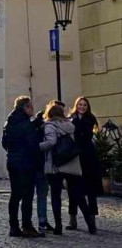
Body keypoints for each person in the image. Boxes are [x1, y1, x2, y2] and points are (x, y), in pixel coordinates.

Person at [39, 101, 96, 235]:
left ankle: (58, 225)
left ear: (49, 113)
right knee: (79, 195)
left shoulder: (49, 125)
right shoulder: (70, 125)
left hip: (56, 164)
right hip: (72, 163)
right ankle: (90, 224)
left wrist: (38, 146)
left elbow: (51, 142)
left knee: (56, 195)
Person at [2, 95, 42, 238]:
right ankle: (27, 226)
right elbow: (33, 145)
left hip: (12, 161)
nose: (32, 109)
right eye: (31, 106)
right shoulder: (26, 124)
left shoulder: (9, 122)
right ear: (26, 107)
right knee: (27, 196)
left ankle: (14, 226)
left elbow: (4, 143)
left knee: (15, 195)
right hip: (26, 163)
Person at [68, 95, 102, 230]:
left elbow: (84, 135)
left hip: (88, 157)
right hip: (75, 157)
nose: (82, 107)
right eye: (80, 105)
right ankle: (72, 219)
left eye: (84, 105)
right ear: (76, 106)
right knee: (73, 190)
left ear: (88, 108)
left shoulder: (89, 119)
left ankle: (92, 219)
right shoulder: (72, 118)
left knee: (91, 190)